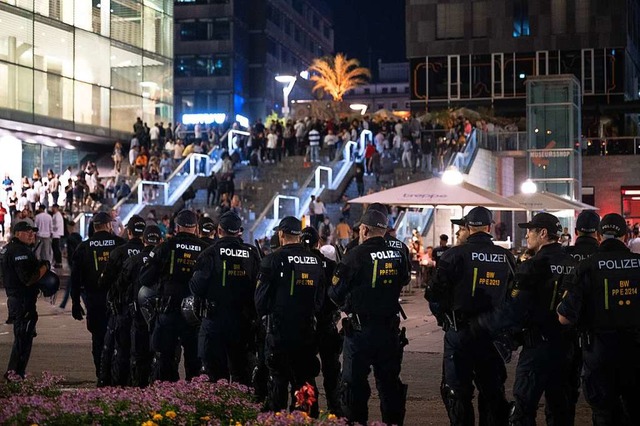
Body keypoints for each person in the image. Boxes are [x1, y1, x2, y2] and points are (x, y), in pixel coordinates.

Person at [475, 212, 576, 425]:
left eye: (530, 230)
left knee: (523, 410)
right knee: (561, 410)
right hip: (566, 349)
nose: (527, 234)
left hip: (536, 349)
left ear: (543, 233)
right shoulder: (572, 263)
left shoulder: (533, 266)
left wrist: (486, 323)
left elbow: (515, 308)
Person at [425, 207, 514, 426]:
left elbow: (433, 292)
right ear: (490, 227)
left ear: (467, 227)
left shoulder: (454, 255)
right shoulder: (506, 257)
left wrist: (444, 316)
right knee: (492, 393)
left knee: (457, 393)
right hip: (493, 336)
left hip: (460, 333)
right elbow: (515, 297)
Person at [329, 208, 410, 425]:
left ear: (364, 229)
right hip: (389, 330)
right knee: (390, 386)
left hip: (360, 332)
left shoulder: (355, 254)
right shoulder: (398, 252)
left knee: (353, 387)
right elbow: (404, 280)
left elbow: (335, 292)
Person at [558, 213, 640, 425]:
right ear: (625, 235)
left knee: (604, 414)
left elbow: (564, 317)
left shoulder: (586, 267)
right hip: (636, 353)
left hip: (599, 354)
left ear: (600, 235)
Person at [255, 216, 325, 415]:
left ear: (281, 234)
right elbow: (320, 300)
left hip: (280, 331)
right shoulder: (315, 260)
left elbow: (260, 301)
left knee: (278, 381)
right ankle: (304, 418)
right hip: (306, 332)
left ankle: (278, 419)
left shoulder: (273, 259)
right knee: (304, 382)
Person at [189, 211, 260, 384]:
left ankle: (219, 410)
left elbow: (196, 288)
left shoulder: (209, 254)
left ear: (219, 230)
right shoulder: (251, 254)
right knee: (242, 378)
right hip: (242, 325)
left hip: (214, 324)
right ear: (238, 231)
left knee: (215, 379)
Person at [139, 209, 208, 381]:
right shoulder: (207, 250)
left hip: (168, 311)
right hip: (195, 315)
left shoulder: (165, 247)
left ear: (176, 227)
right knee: (195, 362)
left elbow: (145, 278)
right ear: (196, 228)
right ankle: (192, 399)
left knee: (166, 360)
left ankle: (170, 400)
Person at [70, 212, 125, 381]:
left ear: (94, 226)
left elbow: (75, 278)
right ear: (109, 225)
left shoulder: (83, 247)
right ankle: (117, 377)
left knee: (98, 340)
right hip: (118, 300)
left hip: (94, 301)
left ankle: (102, 376)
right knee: (119, 340)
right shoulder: (120, 244)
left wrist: (75, 302)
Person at [97, 215, 146, 386]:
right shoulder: (152, 253)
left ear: (129, 231)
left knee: (118, 347)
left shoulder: (119, 251)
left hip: (122, 308)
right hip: (145, 310)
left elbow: (105, 281)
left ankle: (116, 384)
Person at [562, 209, 600, 423]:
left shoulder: (565, 255)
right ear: (598, 233)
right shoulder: (603, 257)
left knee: (565, 388)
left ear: (575, 231)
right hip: (597, 331)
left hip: (565, 327)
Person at [301, 226, 342, 415]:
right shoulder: (331, 266)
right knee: (331, 370)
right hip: (327, 325)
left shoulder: (297, 263)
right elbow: (339, 295)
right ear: (319, 242)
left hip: (305, 326)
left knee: (305, 372)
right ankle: (336, 408)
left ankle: (309, 410)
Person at [1, 221, 50, 378]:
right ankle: (14, 374)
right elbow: (28, 279)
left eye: (33, 231)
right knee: (23, 340)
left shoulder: (13, 249)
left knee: (23, 338)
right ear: (17, 234)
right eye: (27, 231)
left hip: (17, 300)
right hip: (22, 301)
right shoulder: (19, 251)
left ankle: (15, 374)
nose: (31, 234)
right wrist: (44, 268)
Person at [116, 224, 163, 387]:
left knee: (139, 355)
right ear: (161, 240)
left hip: (137, 316)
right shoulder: (165, 259)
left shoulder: (133, 260)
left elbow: (120, 285)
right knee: (162, 356)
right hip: (161, 316)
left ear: (143, 241)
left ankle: (139, 389)